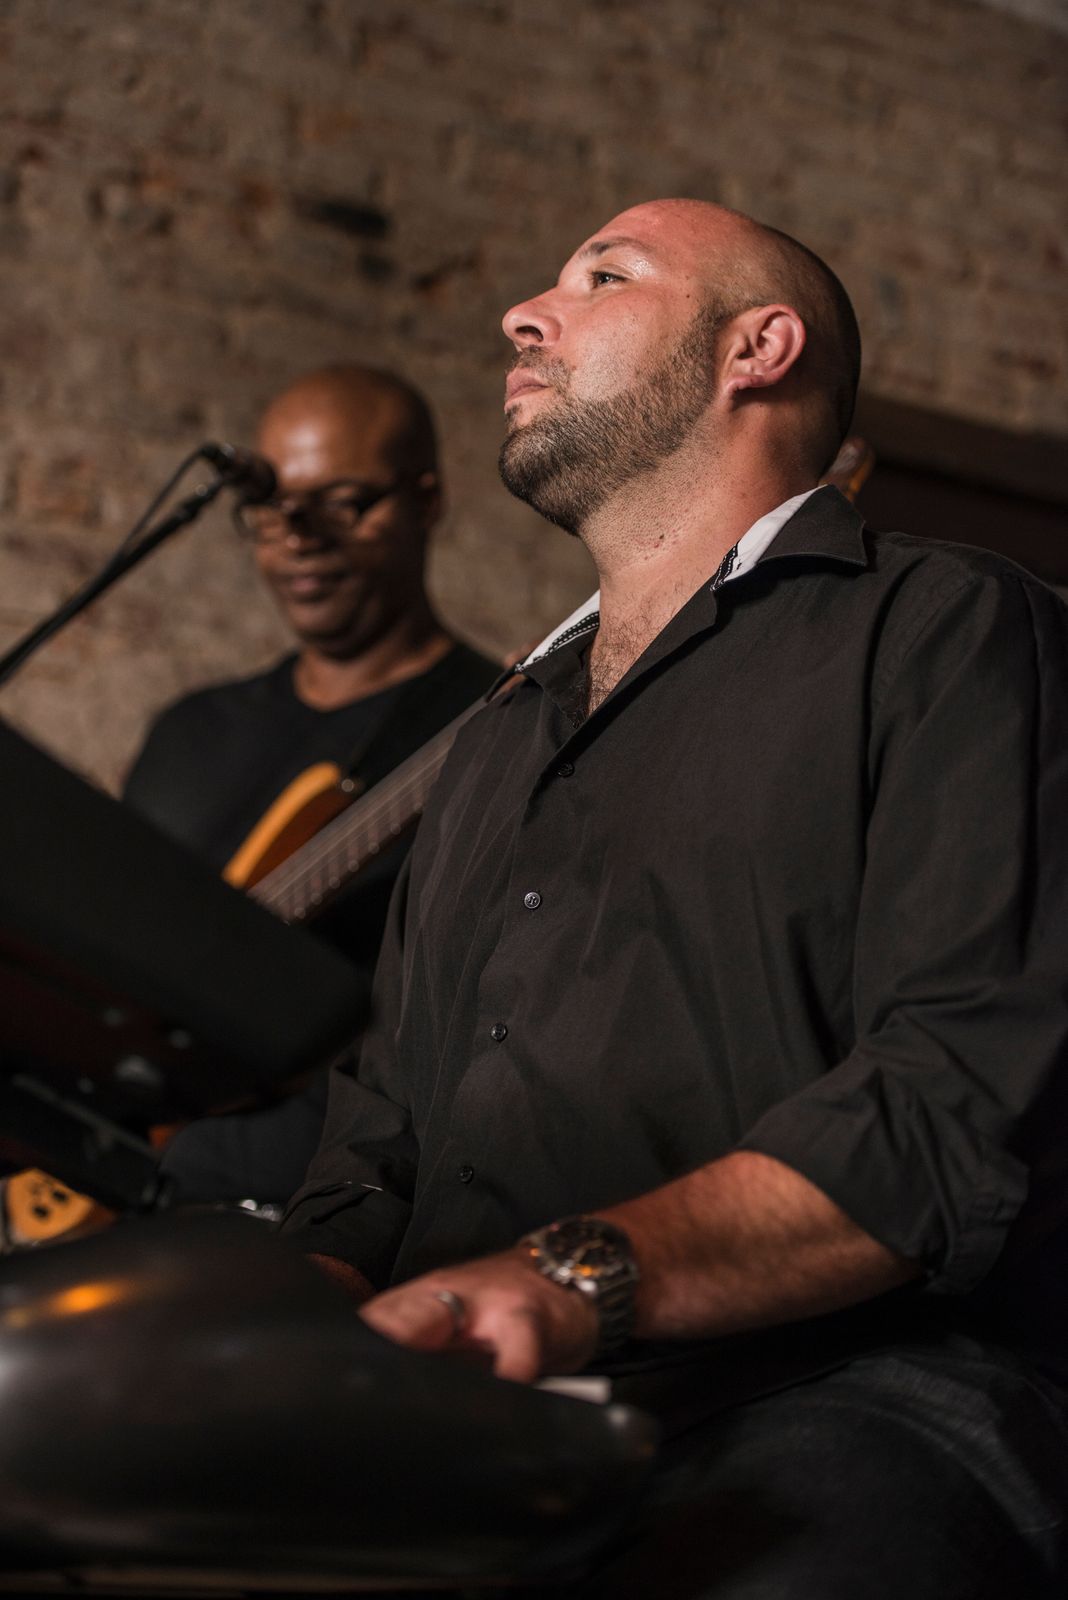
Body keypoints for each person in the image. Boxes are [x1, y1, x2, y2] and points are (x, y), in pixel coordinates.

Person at [281, 202, 1068, 1596]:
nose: (525, 313)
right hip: (481, 1407)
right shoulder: (497, 732)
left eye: (604, 276)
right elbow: (385, 1122)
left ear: (756, 348)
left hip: (838, 1393)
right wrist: (302, 1305)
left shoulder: (949, 628)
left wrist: (571, 1278)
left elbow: (950, 1101)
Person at [124, 364, 499, 1204]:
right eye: (269, 508)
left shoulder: (495, 725)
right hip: (126, 1200)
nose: (298, 538)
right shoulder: (187, 733)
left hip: (325, 1219)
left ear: (427, 501)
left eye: (341, 503)